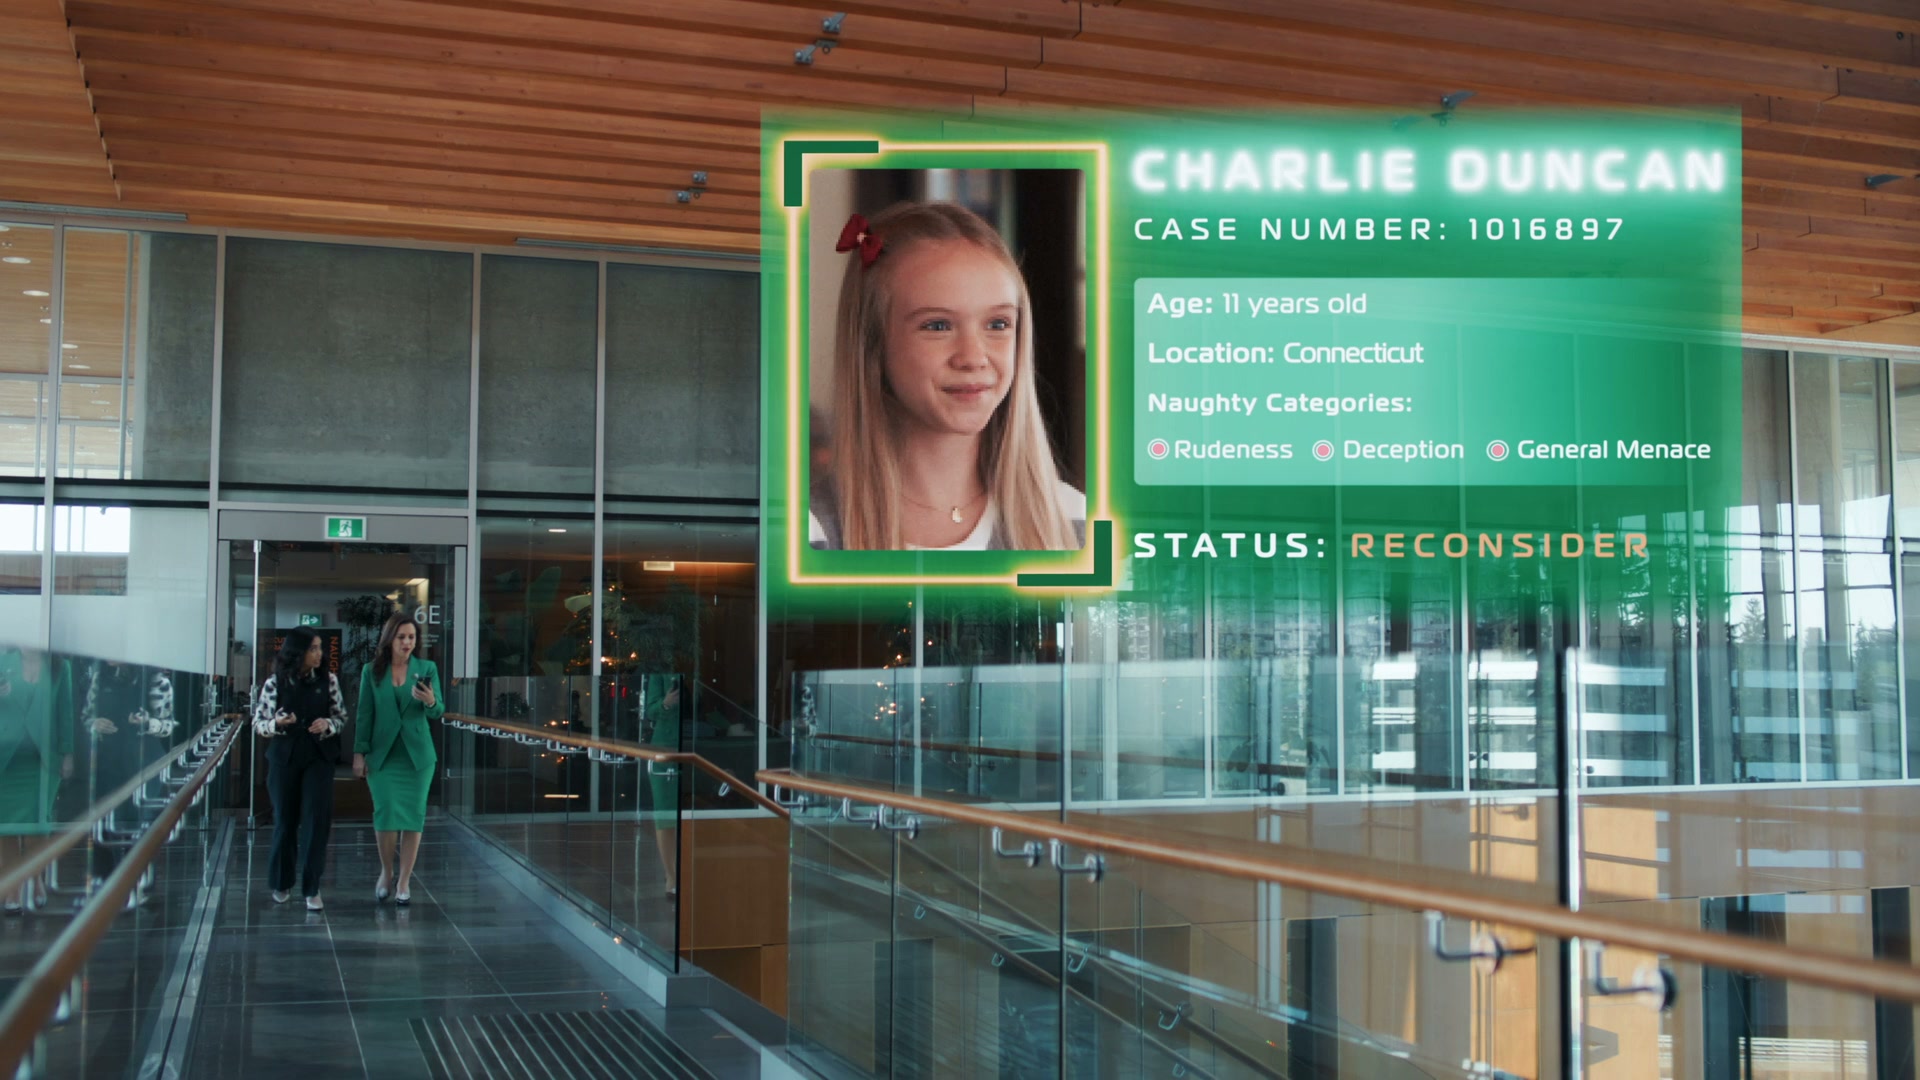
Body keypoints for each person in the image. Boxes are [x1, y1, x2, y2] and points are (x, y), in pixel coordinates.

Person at [809, 200, 1086, 551]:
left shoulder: (1075, 523)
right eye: (937, 325)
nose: (973, 357)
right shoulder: (812, 533)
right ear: (872, 345)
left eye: (998, 324)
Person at [251, 627, 345, 911]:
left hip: (318, 756)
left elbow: (341, 716)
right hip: (284, 758)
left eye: (320, 648)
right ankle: (281, 881)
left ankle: (312, 886)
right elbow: (258, 723)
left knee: (317, 821)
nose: (319, 654)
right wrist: (276, 724)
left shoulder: (328, 681)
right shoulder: (274, 683)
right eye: (313, 648)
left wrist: (328, 725)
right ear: (298, 652)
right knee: (285, 822)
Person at [353, 612, 441, 907]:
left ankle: (404, 879)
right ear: (390, 639)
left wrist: (429, 701)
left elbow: (436, 710)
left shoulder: (426, 667)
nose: (407, 642)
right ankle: (386, 871)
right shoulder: (372, 671)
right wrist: (359, 753)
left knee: (413, 818)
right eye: (402, 637)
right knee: (386, 815)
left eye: (412, 637)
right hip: (383, 755)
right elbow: (364, 714)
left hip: (417, 757)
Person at [81, 659, 177, 885]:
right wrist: (95, 723)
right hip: (109, 760)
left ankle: (139, 879)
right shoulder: (99, 676)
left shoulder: (157, 680)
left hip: (143, 762)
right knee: (107, 821)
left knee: (139, 823)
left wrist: (147, 723)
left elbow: (167, 725)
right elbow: (86, 716)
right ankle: (107, 881)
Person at [0, 647, 72, 914]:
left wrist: (67, 752)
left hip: (42, 759)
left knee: (37, 827)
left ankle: (36, 876)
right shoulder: (1, 660)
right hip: (5, 758)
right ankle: (12, 886)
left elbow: (65, 711)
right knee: (4, 828)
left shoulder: (59, 665)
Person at [640, 676, 682, 900]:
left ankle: (688, 872)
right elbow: (650, 711)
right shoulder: (660, 672)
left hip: (696, 741)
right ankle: (671, 875)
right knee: (666, 814)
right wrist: (666, 702)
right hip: (665, 746)